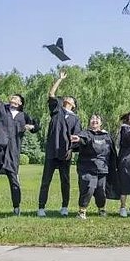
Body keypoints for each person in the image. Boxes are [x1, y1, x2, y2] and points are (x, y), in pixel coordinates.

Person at [0, 74, 38, 217]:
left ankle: (16, 207)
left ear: (20, 103)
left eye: (17, 98)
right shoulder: (2, 109)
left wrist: (30, 126)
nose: (13, 99)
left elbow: (36, 126)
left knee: (13, 180)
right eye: (13, 97)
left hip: (12, 151)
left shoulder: (23, 116)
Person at [38, 69, 81, 217]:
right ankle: (41, 207)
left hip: (65, 153)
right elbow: (51, 94)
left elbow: (76, 137)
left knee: (65, 181)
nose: (67, 99)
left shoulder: (75, 119)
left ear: (73, 105)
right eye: (66, 98)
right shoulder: (57, 110)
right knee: (46, 180)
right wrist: (60, 79)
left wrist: (71, 149)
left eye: (71, 99)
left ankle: (64, 207)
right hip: (52, 150)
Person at [71, 113, 118, 219]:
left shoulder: (106, 135)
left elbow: (112, 152)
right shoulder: (86, 133)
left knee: (101, 190)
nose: (94, 120)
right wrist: (78, 139)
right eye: (92, 118)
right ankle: (82, 211)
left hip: (102, 168)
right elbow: (83, 139)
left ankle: (101, 209)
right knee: (89, 188)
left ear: (101, 123)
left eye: (97, 119)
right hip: (87, 167)